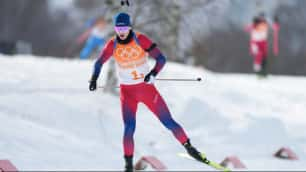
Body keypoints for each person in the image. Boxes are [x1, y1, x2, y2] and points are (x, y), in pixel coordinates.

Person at [88, 12, 206, 171]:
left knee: (168, 121)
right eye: (118, 28)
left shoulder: (140, 39)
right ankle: (128, 166)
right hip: (127, 93)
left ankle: (191, 149)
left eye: (124, 28)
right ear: (115, 28)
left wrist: (153, 74)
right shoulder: (112, 44)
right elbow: (99, 62)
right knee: (129, 128)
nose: (121, 32)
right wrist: (94, 78)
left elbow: (161, 59)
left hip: (146, 90)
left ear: (129, 27)